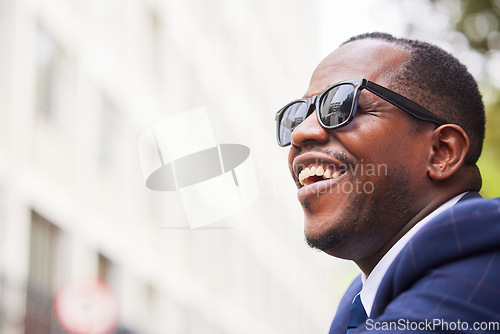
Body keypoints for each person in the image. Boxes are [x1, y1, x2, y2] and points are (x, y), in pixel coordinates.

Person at [275, 32, 500, 333]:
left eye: (341, 104)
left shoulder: (481, 274)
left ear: (441, 152)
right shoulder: (362, 301)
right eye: (297, 116)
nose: (301, 133)